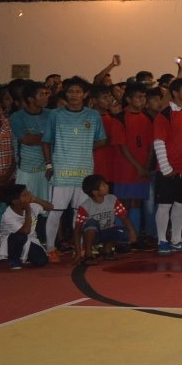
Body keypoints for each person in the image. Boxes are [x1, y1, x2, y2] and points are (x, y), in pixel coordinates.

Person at [41, 77, 108, 258]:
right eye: (70, 91)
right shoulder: (55, 115)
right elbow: (46, 141)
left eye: (78, 92)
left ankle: (79, 249)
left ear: (85, 95)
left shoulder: (93, 115)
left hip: (84, 173)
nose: (74, 95)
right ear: (65, 93)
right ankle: (50, 250)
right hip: (62, 172)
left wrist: (83, 146)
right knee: (55, 212)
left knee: (80, 214)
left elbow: (102, 139)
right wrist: (49, 164)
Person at [152, 77, 182, 255]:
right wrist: (166, 168)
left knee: (181, 205)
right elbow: (159, 141)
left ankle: (177, 239)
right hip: (168, 170)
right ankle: (162, 240)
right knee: (164, 205)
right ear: (175, 92)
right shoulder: (164, 114)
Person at [73, 174, 136, 262]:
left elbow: (124, 217)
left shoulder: (112, 199)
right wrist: (78, 253)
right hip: (93, 235)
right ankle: (88, 254)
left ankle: (107, 250)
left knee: (125, 233)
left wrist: (132, 232)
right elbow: (77, 230)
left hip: (108, 231)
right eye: (103, 185)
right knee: (91, 223)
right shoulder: (85, 206)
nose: (107, 186)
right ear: (95, 192)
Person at [0, 183, 52, 269]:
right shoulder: (8, 215)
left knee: (42, 260)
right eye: (25, 195)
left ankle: (25, 256)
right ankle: (14, 260)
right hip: (12, 242)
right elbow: (26, 231)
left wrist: (35, 199)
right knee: (19, 237)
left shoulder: (31, 204)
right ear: (15, 201)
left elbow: (50, 207)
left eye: (28, 193)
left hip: (30, 240)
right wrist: (28, 210)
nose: (29, 196)